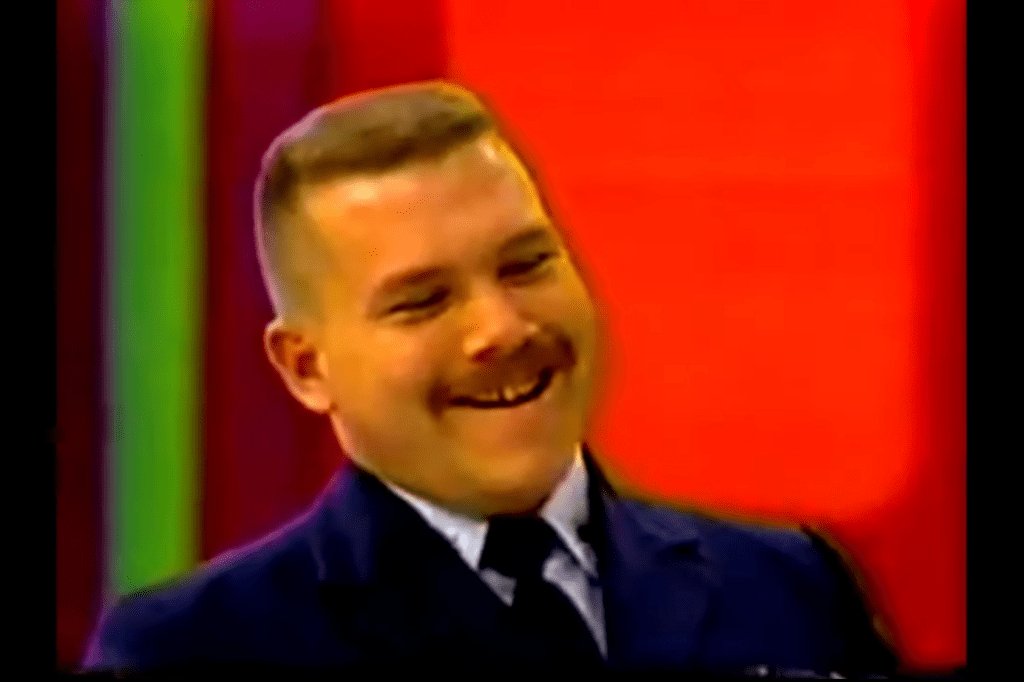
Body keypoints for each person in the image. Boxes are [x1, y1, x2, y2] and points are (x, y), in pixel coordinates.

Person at [81, 81, 899, 677]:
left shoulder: (792, 583)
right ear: (306, 366)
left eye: (527, 263)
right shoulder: (190, 650)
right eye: (422, 301)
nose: (502, 329)